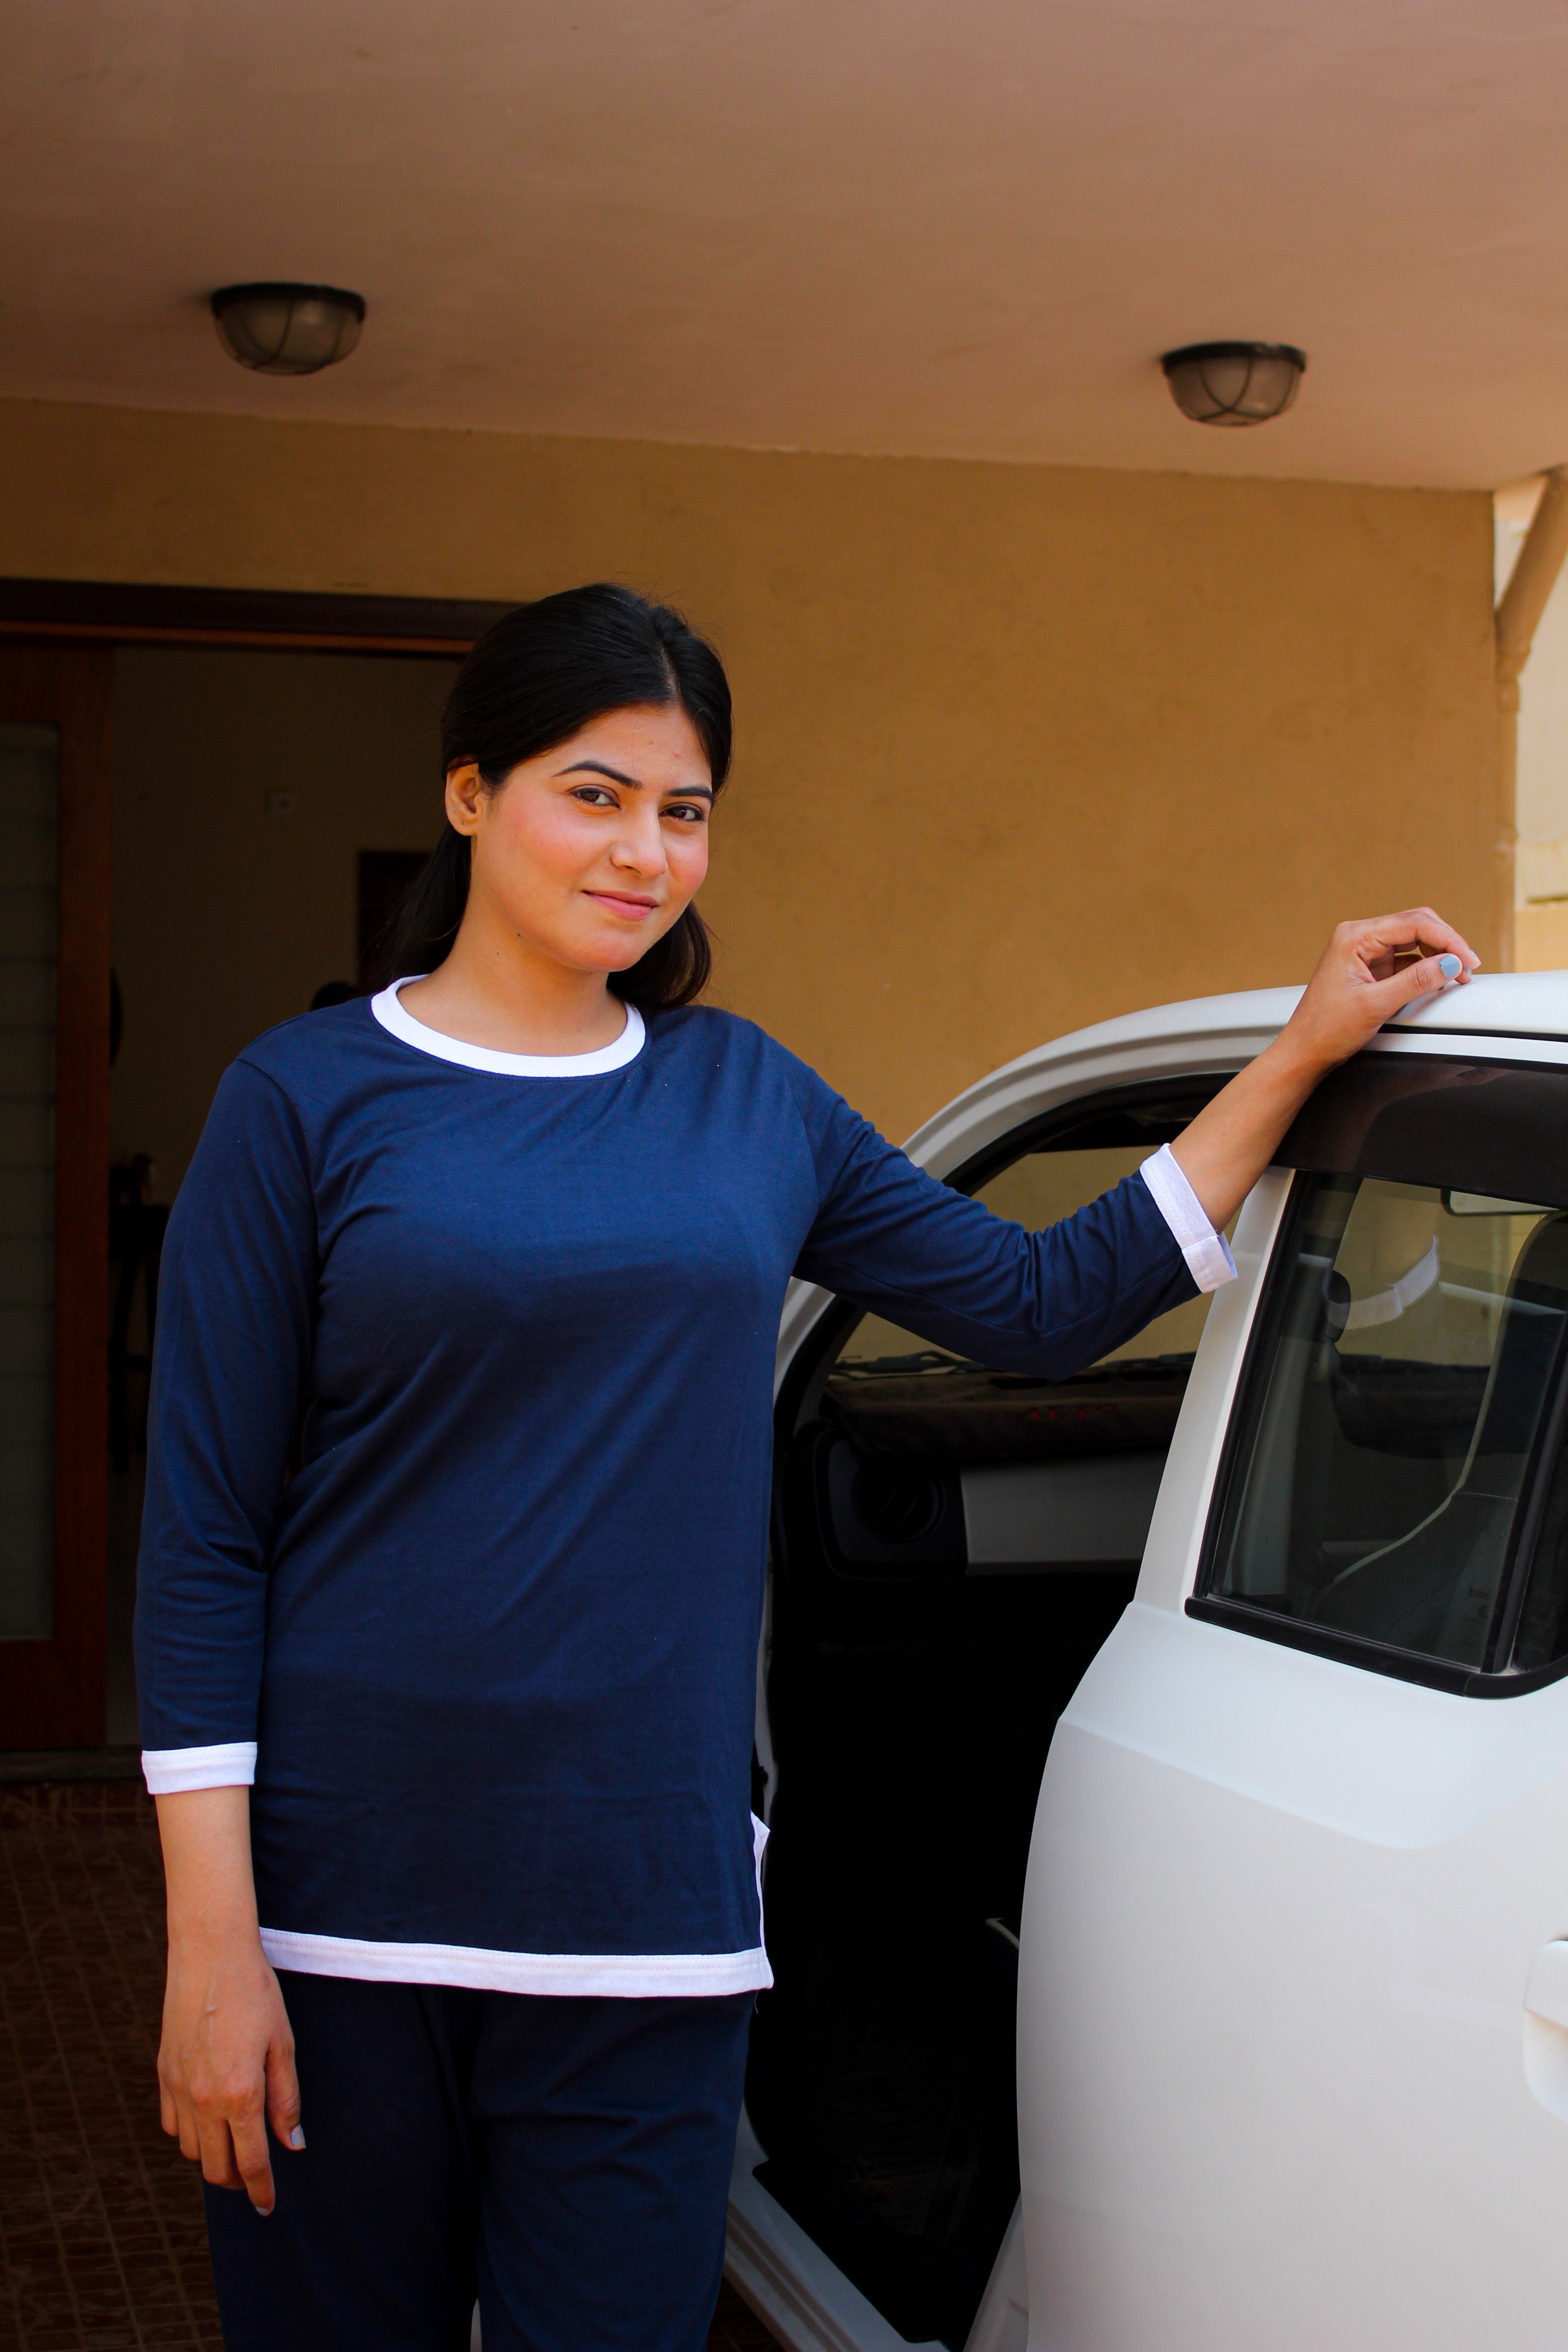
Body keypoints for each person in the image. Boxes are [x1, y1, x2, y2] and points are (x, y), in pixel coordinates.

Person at [135, 583, 1477, 2352]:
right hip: (339, 1927)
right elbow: (207, 1539)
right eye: (593, 793)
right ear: (469, 792)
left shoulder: (742, 1097)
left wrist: (1298, 1055)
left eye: (684, 810)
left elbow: (1038, 1301)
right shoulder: (303, 1099)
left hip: (647, 1936)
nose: (645, 851)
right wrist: (212, 1949)